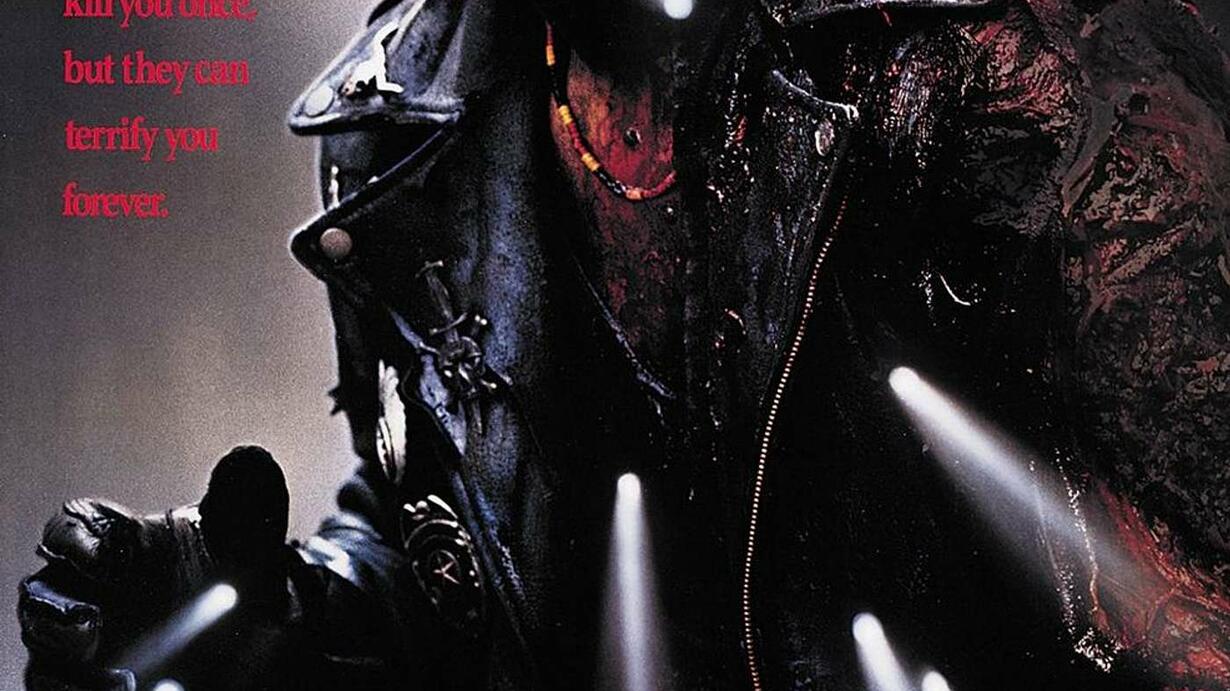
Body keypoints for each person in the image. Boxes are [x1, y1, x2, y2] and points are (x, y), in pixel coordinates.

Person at [18, 0, 1230, 688]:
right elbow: (467, 548)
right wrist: (285, 617)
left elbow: (1184, 602)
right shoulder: (411, 124)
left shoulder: (996, 72)